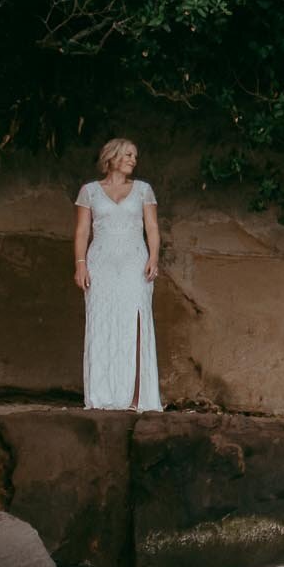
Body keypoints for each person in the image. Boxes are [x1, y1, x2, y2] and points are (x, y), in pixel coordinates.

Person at [72, 137, 162, 411]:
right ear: (111, 157)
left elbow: (153, 228)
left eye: (135, 156)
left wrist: (154, 257)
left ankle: (137, 398)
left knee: (136, 321)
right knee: (102, 322)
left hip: (135, 263)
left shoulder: (144, 190)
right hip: (101, 265)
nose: (133, 160)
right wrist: (80, 264)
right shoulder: (89, 191)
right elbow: (82, 231)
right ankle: (102, 396)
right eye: (128, 155)